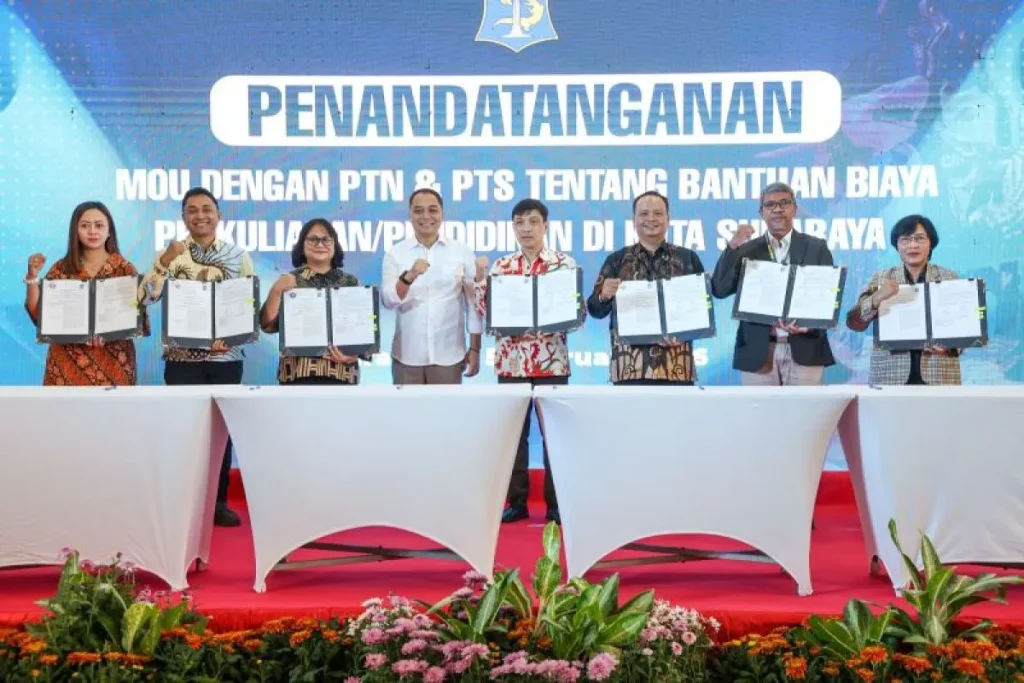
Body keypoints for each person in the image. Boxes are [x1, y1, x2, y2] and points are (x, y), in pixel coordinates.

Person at [139, 187, 254, 527]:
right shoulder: (170, 254)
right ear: (183, 217)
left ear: (219, 215)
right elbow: (144, 299)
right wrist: (163, 262)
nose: (200, 215)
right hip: (181, 360)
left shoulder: (238, 256)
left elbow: (245, 304)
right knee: (183, 432)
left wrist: (231, 336)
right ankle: (182, 505)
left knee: (221, 434)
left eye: (207, 209)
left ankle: (218, 502)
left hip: (226, 359)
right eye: (192, 210)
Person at [476, 199, 580, 525]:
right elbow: (485, 313)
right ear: (513, 228)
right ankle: (517, 501)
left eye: (533, 221)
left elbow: (577, 316)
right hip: (512, 362)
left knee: (555, 438)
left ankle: (556, 504)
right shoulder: (501, 267)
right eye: (520, 222)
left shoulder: (563, 265)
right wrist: (479, 280)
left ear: (545, 225)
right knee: (513, 438)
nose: (526, 229)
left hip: (552, 362)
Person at [711, 182, 835, 385]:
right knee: (759, 407)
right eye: (770, 205)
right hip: (758, 352)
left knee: (808, 407)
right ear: (762, 212)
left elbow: (827, 297)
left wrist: (809, 326)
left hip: (806, 348)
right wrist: (733, 247)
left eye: (784, 203)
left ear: (794, 209)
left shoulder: (816, 247)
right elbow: (719, 289)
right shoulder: (746, 249)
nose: (778, 209)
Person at [587, 190, 704, 385]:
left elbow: (702, 310)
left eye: (658, 213)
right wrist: (603, 296)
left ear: (668, 219)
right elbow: (594, 310)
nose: (651, 219)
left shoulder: (687, 259)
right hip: (630, 370)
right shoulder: (617, 260)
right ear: (634, 220)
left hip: (676, 368)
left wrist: (684, 334)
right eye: (644, 213)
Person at [24, 201, 146, 386]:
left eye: (99, 225)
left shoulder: (125, 269)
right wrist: (32, 276)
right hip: (66, 362)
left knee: (113, 406)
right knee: (63, 406)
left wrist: (110, 333)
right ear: (75, 231)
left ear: (109, 231)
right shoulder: (61, 268)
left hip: (114, 362)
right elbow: (38, 314)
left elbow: (135, 318)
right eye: (85, 226)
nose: (92, 231)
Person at [381, 188, 484, 384]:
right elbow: (388, 301)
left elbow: (473, 305)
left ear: (442, 213)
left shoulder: (461, 251)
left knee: (446, 406)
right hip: (407, 355)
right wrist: (409, 276)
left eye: (432, 210)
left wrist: (475, 348)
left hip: (449, 355)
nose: (426, 216)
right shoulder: (396, 253)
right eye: (418, 211)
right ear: (410, 215)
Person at [845, 214, 962, 384]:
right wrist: (876, 298)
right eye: (905, 239)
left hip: (939, 374)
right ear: (897, 246)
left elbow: (964, 327)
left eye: (920, 238)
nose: (913, 245)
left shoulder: (949, 278)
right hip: (890, 376)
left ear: (931, 243)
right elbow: (854, 323)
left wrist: (951, 347)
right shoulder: (881, 278)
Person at [260, 218, 370, 385]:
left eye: (326, 239)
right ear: (302, 246)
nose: (320, 244)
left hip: (341, 374)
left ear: (335, 245)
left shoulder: (350, 282)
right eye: (313, 239)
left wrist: (353, 355)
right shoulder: (289, 280)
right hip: (297, 375)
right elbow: (267, 325)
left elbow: (363, 332)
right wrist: (276, 290)